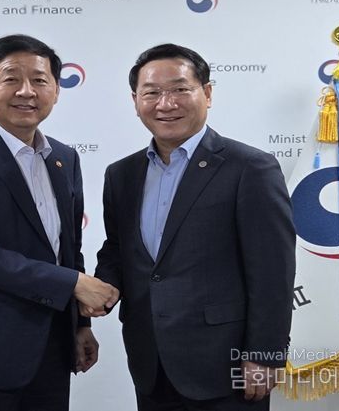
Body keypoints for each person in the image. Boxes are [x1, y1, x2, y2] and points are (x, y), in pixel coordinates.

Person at [93, 44, 296, 411]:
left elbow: (273, 271)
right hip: (151, 362)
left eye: (180, 89)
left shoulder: (250, 167)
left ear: (208, 93)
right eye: (152, 93)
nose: (166, 103)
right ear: (135, 100)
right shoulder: (121, 174)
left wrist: (265, 354)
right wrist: (101, 289)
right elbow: (119, 250)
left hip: (226, 365)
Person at [0, 34, 119, 411]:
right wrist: (74, 284)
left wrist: (80, 325)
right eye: (11, 78)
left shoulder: (64, 158)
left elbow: (67, 248)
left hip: (52, 344)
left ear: (56, 90)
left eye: (40, 80)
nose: (27, 91)